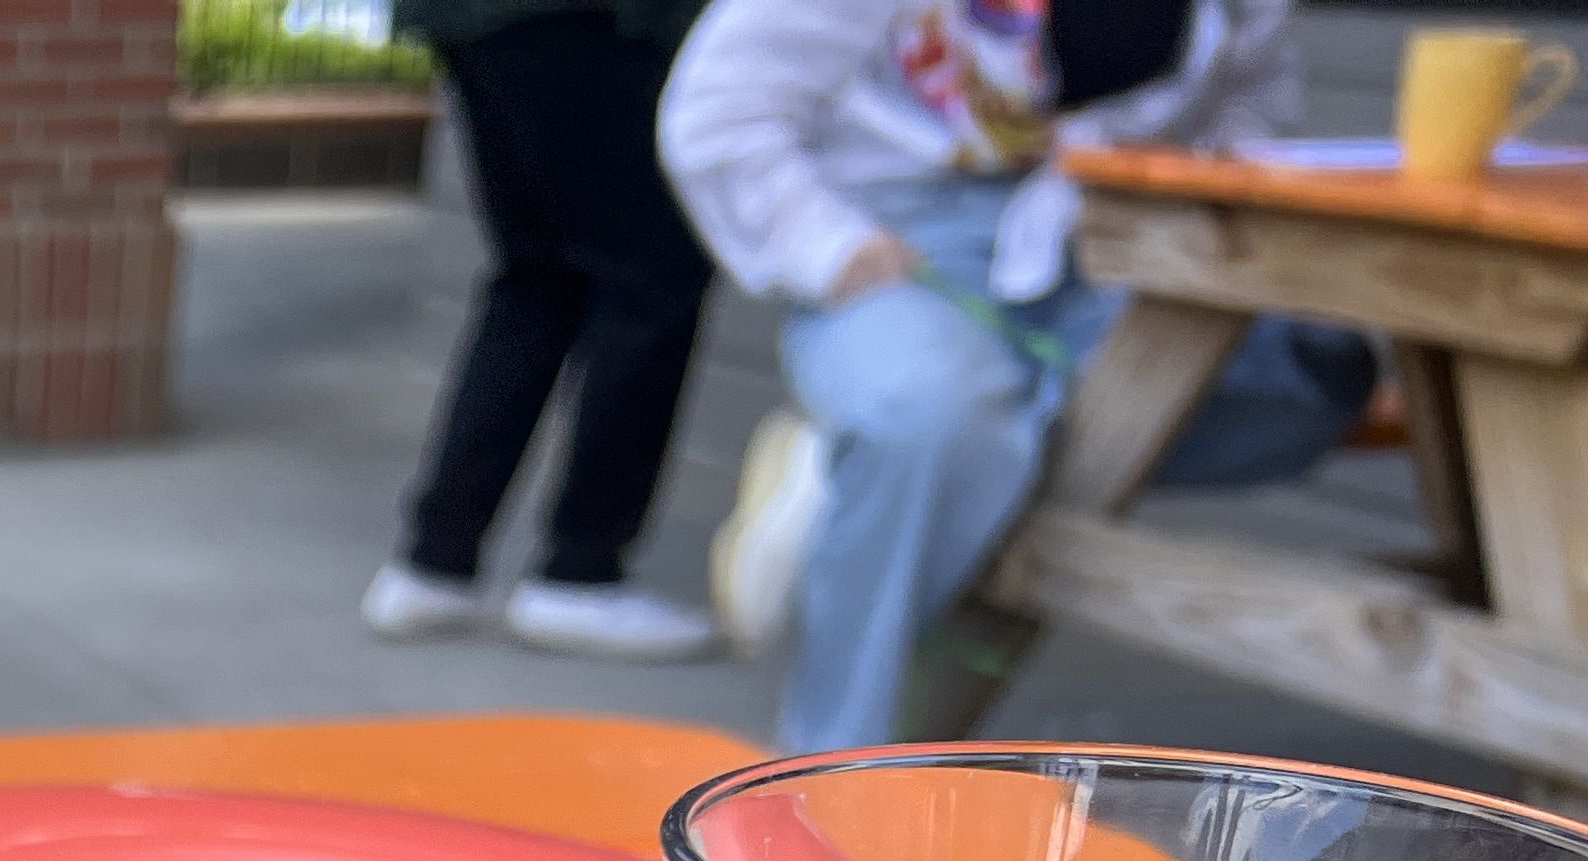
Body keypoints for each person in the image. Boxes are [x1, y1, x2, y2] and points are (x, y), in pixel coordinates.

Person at [663, 0, 1379, 750]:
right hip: (903, 246)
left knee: (1313, 378)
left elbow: (1254, 116)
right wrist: (829, 246)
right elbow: (720, 109)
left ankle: (864, 492)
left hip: (1114, 247)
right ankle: (830, 773)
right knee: (929, 418)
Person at [361, 0, 724, 663]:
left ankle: (437, 561)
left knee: (540, 277)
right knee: (651, 274)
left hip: (487, 19)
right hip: (580, 19)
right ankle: (580, 572)